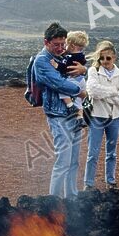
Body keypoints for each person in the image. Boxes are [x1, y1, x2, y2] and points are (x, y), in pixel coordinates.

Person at [32, 22, 87, 199]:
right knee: (63, 161)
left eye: (63, 44)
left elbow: (78, 69)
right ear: (46, 42)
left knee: (73, 161)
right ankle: (54, 202)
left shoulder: (62, 55)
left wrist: (84, 69)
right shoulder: (42, 61)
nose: (61, 48)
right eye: (56, 45)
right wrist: (81, 91)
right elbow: (58, 83)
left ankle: (71, 198)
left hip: (72, 114)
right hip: (58, 114)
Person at [84, 41, 119, 191]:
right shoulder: (93, 71)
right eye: (101, 58)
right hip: (97, 116)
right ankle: (89, 183)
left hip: (115, 117)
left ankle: (110, 180)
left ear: (114, 57)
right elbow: (92, 90)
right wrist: (112, 91)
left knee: (112, 151)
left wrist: (103, 93)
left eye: (108, 58)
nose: (104, 61)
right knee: (93, 152)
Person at [51, 30, 89, 125]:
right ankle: (80, 116)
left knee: (63, 90)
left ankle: (70, 105)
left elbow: (65, 67)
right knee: (79, 100)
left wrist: (56, 65)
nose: (64, 47)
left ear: (71, 46)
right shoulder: (81, 56)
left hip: (72, 79)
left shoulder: (70, 57)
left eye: (66, 44)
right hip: (81, 80)